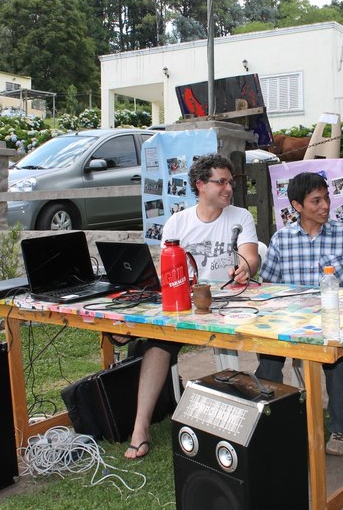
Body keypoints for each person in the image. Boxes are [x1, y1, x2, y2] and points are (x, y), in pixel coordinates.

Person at [123, 155, 260, 459]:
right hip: (187, 304)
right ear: (200, 185)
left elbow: (251, 255)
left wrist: (245, 267)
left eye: (230, 181)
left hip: (229, 303)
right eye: (221, 181)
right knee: (157, 344)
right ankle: (139, 427)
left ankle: (234, 422)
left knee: (225, 343)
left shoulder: (240, 217)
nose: (228, 187)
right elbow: (167, 272)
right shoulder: (178, 222)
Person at [255, 172, 343, 456]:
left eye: (326, 198)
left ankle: (342, 425)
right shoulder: (282, 239)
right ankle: (268, 419)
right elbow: (268, 285)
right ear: (297, 206)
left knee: (339, 360)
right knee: (267, 359)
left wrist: (341, 307)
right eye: (316, 201)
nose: (325, 206)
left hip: (332, 317)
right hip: (289, 319)